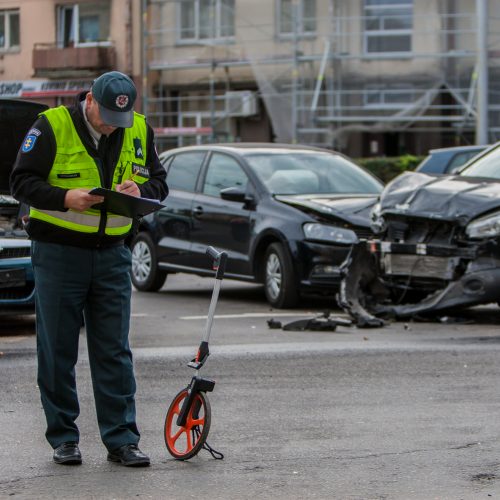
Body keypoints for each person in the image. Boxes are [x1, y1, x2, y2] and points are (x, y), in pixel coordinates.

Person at [10, 71, 168, 467]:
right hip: (60, 254)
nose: (113, 128)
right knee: (58, 348)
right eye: (106, 119)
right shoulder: (51, 125)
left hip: (114, 253)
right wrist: (65, 198)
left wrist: (141, 191)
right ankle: (64, 438)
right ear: (90, 101)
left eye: (122, 120)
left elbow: (159, 183)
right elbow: (21, 183)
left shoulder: (138, 129)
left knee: (114, 351)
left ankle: (122, 440)